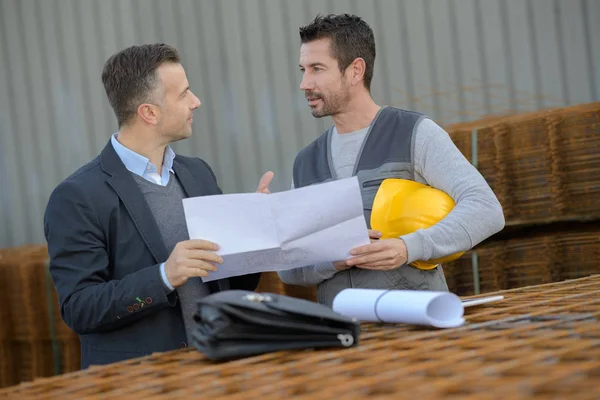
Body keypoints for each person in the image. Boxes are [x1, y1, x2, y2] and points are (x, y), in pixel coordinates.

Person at [44, 43, 273, 368]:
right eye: (184, 94)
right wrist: (164, 276)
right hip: (141, 382)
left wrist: (253, 236)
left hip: (218, 369)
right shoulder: (77, 196)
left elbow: (228, 283)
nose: (196, 102)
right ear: (149, 113)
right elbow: (80, 308)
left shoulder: (198, 174)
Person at [278, 14, 505, 307]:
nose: (304, 83)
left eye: (316, 69)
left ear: (355, 70)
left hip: (417, 331)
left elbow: (486, 210)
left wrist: (408, 247)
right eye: (303, 70)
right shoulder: (305, 162)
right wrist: (332, 261)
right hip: (345, 337)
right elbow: (288, 269)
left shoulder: (414, 133)